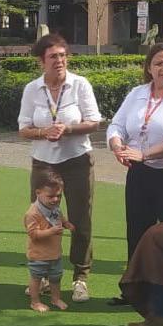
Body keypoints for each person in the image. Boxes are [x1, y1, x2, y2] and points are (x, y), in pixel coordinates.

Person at [17, 34, 101, 302]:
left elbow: (94, 122)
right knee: (41, 218)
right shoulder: (32, 89)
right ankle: (41, 275)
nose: (60, 61)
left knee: (79, 219)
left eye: (63, 56)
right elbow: (23, 129)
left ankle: (81, 277)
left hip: (77, 160)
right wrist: (44, 132)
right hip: (43, 162)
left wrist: (69, 129)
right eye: (53, 56)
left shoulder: (80, 84)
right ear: (41, 61)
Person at [108, 43, 163, 261]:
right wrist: (118, 147)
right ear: (149, 68)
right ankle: (136, 282)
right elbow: (116, 125)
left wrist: (145, 155)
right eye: (159, 63)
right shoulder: (137, 93)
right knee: (137, 233)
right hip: (139, 173)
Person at [25, 173, 76, 312]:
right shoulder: (33, 213)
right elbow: (33, 234)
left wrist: (66, 223)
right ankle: (35, 302)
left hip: (55, 254)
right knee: (36, 279)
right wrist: (51, 231)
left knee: (56, 278)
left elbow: (60, 216)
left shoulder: (55, 207)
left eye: (59, 196)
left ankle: (55, 298)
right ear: (38, 193)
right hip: (39, 255)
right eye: (51, 196)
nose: (55, 199)